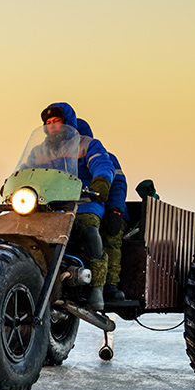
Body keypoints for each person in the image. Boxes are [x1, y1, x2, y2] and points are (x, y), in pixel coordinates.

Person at [31, 102, 115, 310]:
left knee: (89, 230)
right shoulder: (39, 150)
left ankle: (97, 286)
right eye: (48, 123)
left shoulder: (87, 144)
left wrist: (101, 181)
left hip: (83, 202)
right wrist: (12, 182)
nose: (51, 126)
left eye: (56, 122)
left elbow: (102, 163)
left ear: (67, 123)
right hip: (50, 205)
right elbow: (26, 168)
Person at [76, 118, 128, 302]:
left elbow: (118, 186)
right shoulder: (57, 159)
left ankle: (110, 285)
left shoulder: (104, 156)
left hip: (106, 208)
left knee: (110, 237)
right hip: (73, 208)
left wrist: (115, 211)